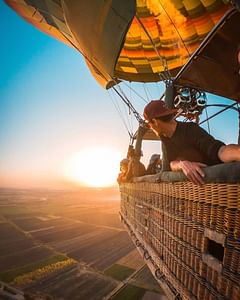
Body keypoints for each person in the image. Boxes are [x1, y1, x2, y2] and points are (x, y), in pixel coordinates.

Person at [143, 99, 240, 185]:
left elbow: (220, 150)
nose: (150, 128)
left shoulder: (190, 129)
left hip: (222, 184)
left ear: (155, 122)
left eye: (148, 125)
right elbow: (172, 163)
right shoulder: (165, 137)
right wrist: (182, 164)